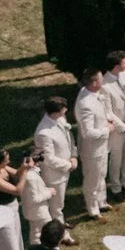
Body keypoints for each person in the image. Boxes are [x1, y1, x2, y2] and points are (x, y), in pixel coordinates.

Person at [74, 69, 114, 219]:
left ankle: (101, 201)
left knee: (102, 174)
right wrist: (107, 129)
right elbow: (88, 133)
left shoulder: (92, 92)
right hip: (92, 149)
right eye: (100, 78)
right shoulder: (85, 104)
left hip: (102, 146)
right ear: (94, 83)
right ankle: (93, 210)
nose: (103, 79)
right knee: (92, 178)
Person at [32, 96, 77, 225]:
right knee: (56, 205)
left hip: (64, 167)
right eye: (64, 109)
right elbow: (49, 159)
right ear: (56, 112)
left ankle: (60, 222)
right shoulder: (43, 133)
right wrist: (69, 165)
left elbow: (70, 137)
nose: (66, 110)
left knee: (60, 202)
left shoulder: (61, 119)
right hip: (54, 174)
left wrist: (73, 156)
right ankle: (58, 230)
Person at [104, 51, 125, 202]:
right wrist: (122, 126)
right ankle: (116, 187)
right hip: (117, 127)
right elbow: (108, 111)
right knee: (116, 158)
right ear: (117, 66)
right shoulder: (104, 84)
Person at [16, 150, 53, 250]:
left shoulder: (24, 173)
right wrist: (49, 193)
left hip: (30, 211)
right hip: (39, 212)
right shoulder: (31, 177)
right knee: (48, 231)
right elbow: (35, 198)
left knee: (35, 232)